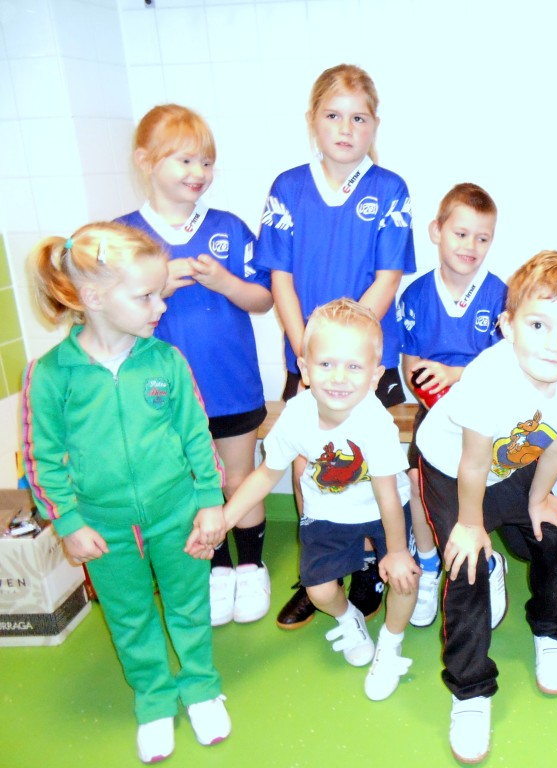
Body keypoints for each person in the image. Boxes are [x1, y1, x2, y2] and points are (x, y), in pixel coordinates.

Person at [22, 222, 230, 764]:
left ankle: (201, 687)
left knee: (189, 603)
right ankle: (154, 698)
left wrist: (210, 502)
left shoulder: (166, 361)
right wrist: (67, 522)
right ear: (94, 298)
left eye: (159, 293)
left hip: (177, 512)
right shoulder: (50, 375)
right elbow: (41, 459)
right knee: (129, 613)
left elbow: (196, 434)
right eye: (145, 296)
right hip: (104, 526)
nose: (160, 306)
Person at [416, 251, 557, 763]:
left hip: (513, 461)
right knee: (467, 564)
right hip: (453, 465)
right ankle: (470, 690)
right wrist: (471, 526)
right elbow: (473, 462)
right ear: (507, 326)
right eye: (538, 325)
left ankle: (551, 629)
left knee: (554, 535)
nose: (554, 344)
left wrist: (539, 499)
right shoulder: (488, 376)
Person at [255, 63, 416, 629]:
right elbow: (280, 279)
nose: (346, 129)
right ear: (312, 121)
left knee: (372, 464)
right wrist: (307, 354)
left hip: (369, 363)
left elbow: (388, 278)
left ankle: (371, 563)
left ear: (374, 126)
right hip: (308, 361)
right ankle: (318, 570)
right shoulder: (288, 188)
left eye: (359, 118)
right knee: (308, 467)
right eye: (333, 115)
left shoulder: (390, 189)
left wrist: (347, 353)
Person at [205, 299, 420, 701]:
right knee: (320, 591)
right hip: (326, 513)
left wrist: (395, 553)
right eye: (326, 364)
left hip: (381, 510)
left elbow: (387, 495)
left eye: (354, 366)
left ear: (375, 376)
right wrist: (225, 519)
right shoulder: (297, 415)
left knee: (404, 578)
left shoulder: (375, 422)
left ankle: (390, 646)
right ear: (304, 369)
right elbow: (266, 474)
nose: (338, 377)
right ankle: (349, 619)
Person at [118, 104, 274, 627]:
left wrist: (225, 283)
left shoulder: (228, 227)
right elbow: (106, 307)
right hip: (158, 395)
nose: (198, 172)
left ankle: (249, 565)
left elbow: (263, 298)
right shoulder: (126, 237)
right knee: (188, 484)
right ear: (146, 161)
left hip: (231, 386)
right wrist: (158, 282)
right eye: (184, 160)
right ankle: (213, 567)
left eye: (205, 162)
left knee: (238, 478)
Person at [397, 182, 508, 629]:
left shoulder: (501, 296)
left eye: (482, 238)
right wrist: (437, 393)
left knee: (476, 479)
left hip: (489, 413)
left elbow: (509, 370)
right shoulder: (416, 295)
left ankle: (486, 558)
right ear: (436, 231)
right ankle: (427, 564)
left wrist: (457, 376)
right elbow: (412, 367)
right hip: (436, 411)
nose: (470, 246)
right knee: (416, 478)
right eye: (461, 234)